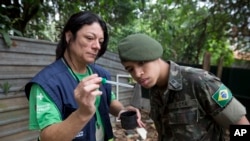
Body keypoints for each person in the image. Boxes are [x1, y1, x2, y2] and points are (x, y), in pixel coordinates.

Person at [24, 11, 145, 141]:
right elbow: (48, 137)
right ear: (69, 36)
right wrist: (83, 113)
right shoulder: (46, 83)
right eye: (89, 38)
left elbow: (109, 100)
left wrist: (122, 111)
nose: (97, 46)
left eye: (100, 41)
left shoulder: (101, 74)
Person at [117, 33, 250, 141]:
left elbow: (242, 127)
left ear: (155, 56)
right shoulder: (155, 89)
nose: (138, 73)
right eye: (130, 69)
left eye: (142, 63)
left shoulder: (200, 82)